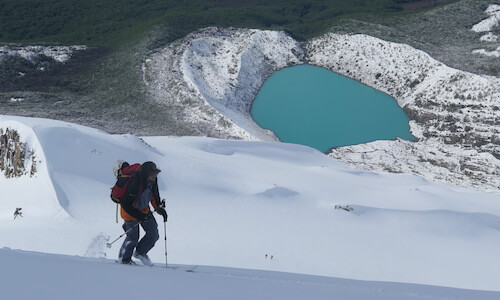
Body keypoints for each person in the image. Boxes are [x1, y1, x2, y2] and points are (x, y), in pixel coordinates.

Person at [118, 161, 168, 265]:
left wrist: (160, 210)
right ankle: (124, 260)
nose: (155, 175)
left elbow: (155, 196)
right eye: (152, 173)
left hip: (145, 210)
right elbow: (126, 204)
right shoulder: (135, 182)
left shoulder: (153, 180)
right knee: (133, 237)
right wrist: (140, 216)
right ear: (146, 173)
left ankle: (140, 253)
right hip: (129, 213)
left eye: (156, 173)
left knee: (153, 234)